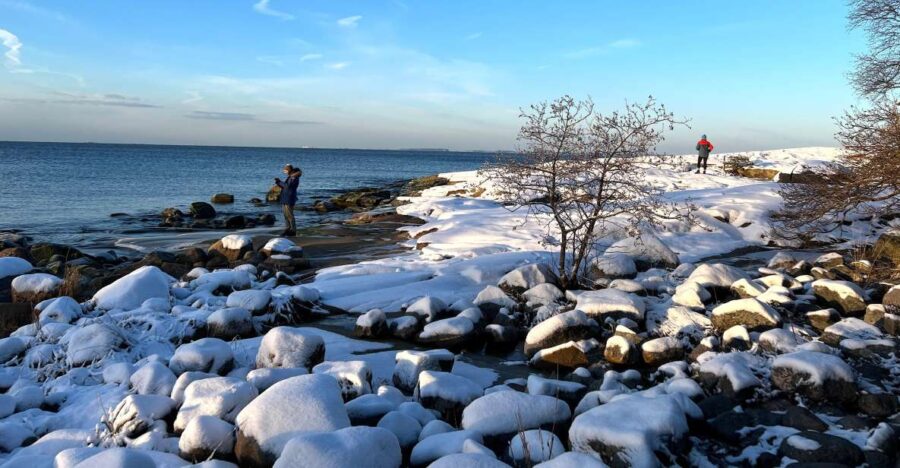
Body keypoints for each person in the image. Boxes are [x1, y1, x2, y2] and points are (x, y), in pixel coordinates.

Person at [274, 164, 302, 236]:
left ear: (289, 170)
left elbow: (288, 186)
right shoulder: (291, 177)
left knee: (290, 215)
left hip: (289, 198)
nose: (284, 171)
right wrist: (278, 182)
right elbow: (285, 186)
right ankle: (288, 229)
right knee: (286, 215)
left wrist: (279, 182)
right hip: (285, 198)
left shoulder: (294, 177)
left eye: (286, 170)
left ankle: (293, 231)